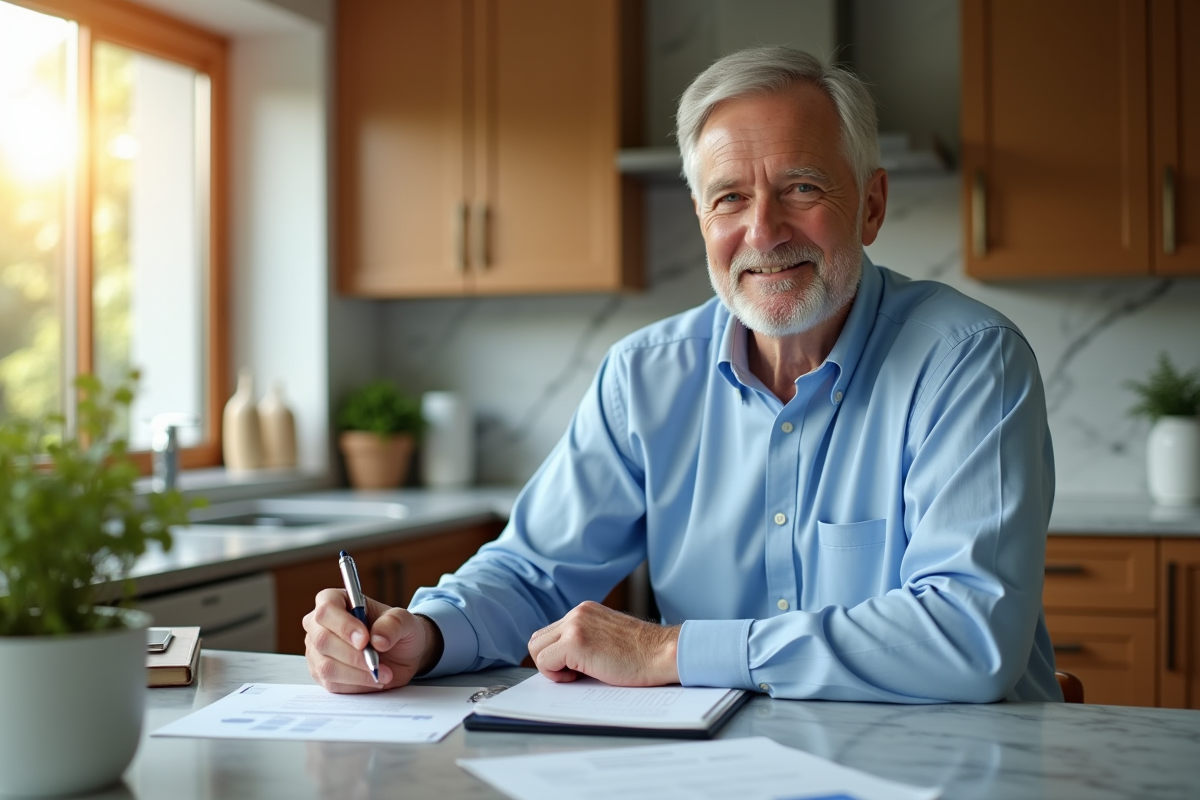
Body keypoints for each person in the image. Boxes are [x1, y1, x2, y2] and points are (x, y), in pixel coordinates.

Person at [305, 46, 1061, 703]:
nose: (762, 231)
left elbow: (968, 635)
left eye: (801, 187)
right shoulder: (644, 378)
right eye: (730, 198)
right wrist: (428, 634)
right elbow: (536, 572)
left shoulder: (968, 360)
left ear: (870, 206)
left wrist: (668, 652)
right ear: (703, 221)